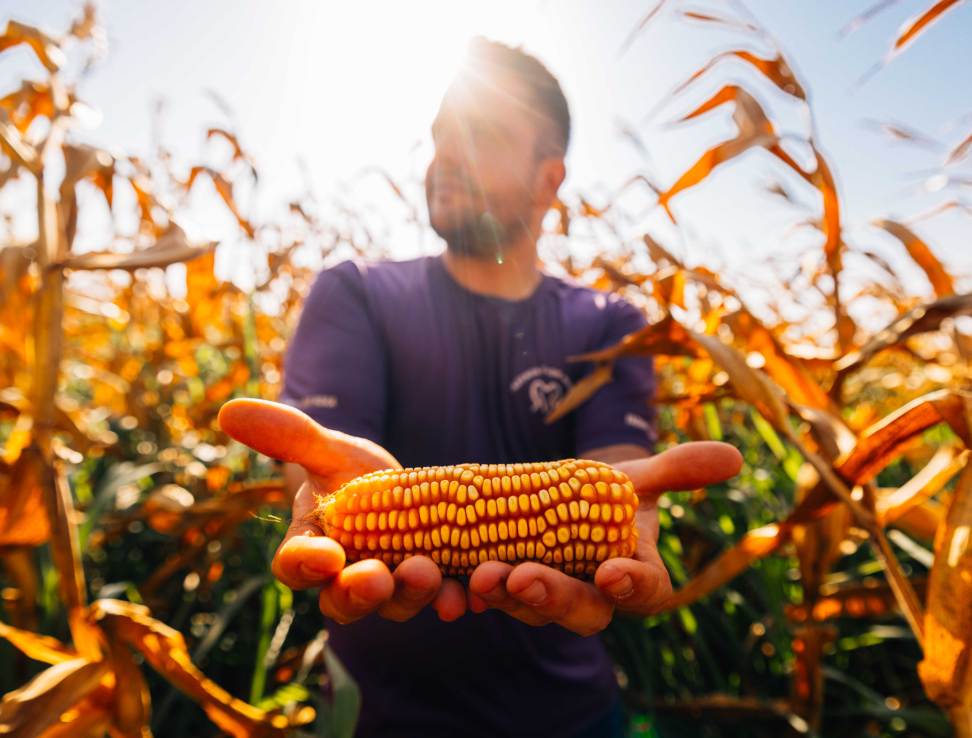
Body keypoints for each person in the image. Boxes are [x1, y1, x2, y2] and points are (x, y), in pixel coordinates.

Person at [218, 38, 742, 738]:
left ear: (548, 178)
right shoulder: (356, 294)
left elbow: (616, 471)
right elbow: (317, 469)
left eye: (485, 135)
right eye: (440, 135)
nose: (447, 156)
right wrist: (337, 493)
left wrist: (619, 516)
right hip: (379, 714)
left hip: (568, 714)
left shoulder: (611, 324)